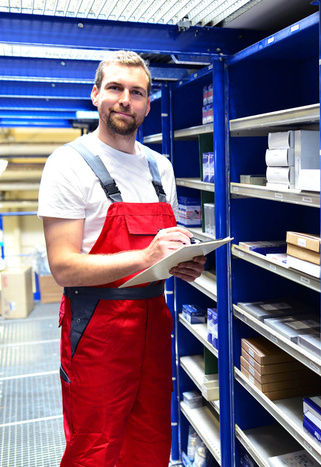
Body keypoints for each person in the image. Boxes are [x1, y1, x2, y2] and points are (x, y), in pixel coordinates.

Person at [37, 50, 206, 466]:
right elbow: (63, 267)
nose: (125, 99)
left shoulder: (159, 167)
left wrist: (180, 262)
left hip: (153, 322)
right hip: (97, 330)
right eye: (114, 88)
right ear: (96, 95)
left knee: (150, 446)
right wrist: (146, 255)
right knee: (94, 449)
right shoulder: (68, 164)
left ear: (148, 104)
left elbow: (158, 253)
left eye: (137, 92)